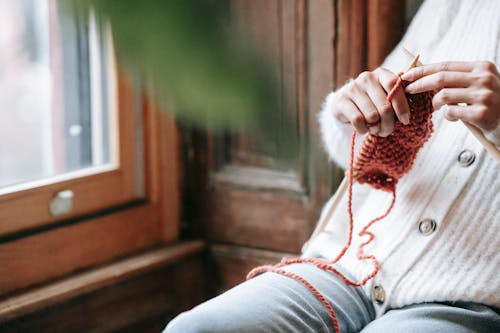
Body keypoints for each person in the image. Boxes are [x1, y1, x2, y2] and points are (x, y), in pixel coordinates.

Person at [164, 0, 500, 332]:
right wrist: (349, 111)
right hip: (352, 266)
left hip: (471, 299)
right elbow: (353, 152)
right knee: (195, 328)